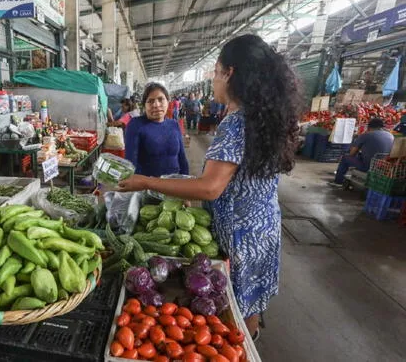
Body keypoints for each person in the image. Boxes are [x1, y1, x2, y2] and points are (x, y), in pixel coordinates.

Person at [119, 34, 302, 339]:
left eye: (216, 72)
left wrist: (145, 181)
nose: (214, 81)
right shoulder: (264, 116)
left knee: (233, 311)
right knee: (250, 301)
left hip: (240, 234)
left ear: (230, 74)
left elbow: (210, 188)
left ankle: (242, 344)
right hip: (264, 226)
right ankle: (251, 339)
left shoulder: (236, 122)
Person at [124, 83, 189, 177]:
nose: (156, 105)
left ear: (168, 101)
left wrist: (185, 180)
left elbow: (182, 157)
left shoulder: (174, 124)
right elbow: (131, 162)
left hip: (175, 185)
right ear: (144, 105)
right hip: (148, 187)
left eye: (160, 99)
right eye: (150, 101)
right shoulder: (136, 125)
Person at [331, 118, 394, 185]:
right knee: (361, 156)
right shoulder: (390, 135)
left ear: (369, 127)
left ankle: (338, 182)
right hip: (384, 167)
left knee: (345, 158)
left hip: (369, 166)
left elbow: (352, 153)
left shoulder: (366, 135)